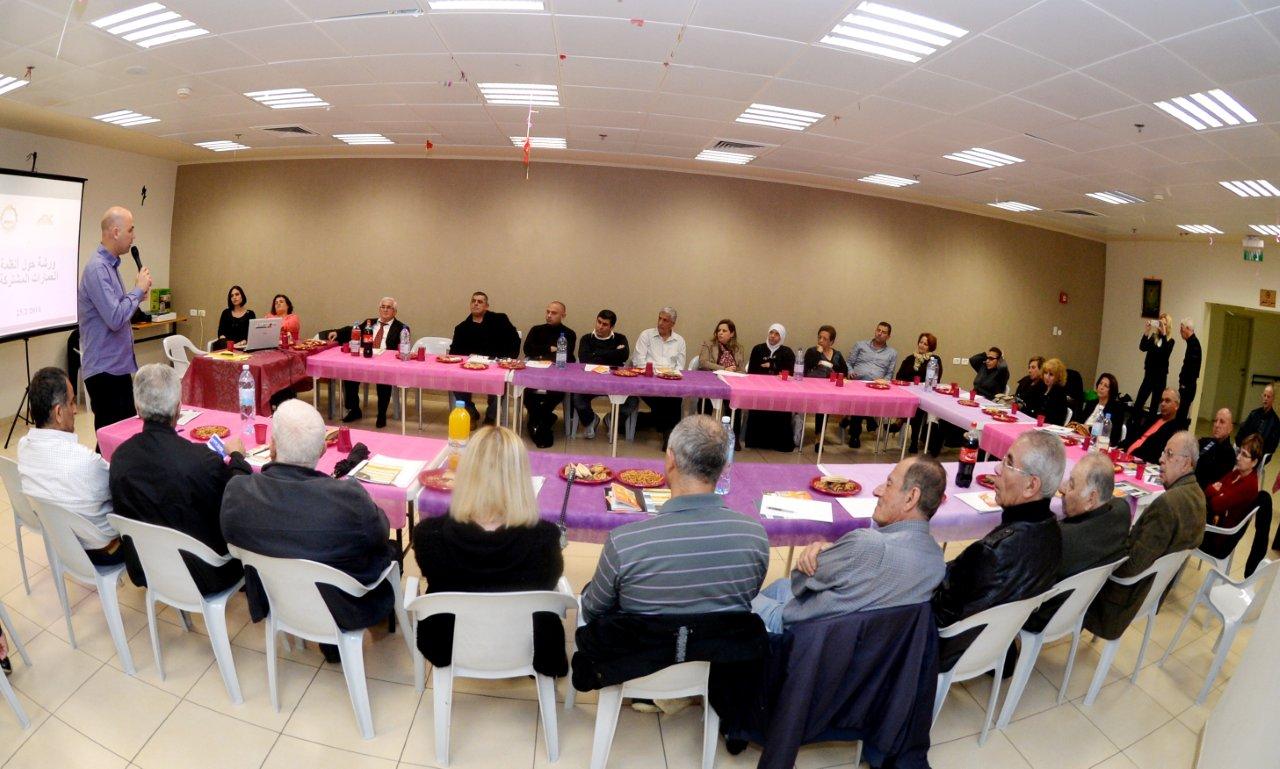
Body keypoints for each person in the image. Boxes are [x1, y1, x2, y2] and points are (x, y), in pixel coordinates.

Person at [221, 400, 394, 662]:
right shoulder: (349, 497)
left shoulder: (238, 492)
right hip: (343, 608)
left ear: (272, 447)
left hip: (274, 599)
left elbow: (232, 538)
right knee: (386, 552)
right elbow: (381, 532)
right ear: (323, 449)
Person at [579, 414, 769, 624]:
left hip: (642, 644)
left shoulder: (624, 543)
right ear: (725, 465)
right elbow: (748, 597)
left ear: (671, 459)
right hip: (722, 644)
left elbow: (591, 611)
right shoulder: (755, 537)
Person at [412, 426, 564, 668]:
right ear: (520, 479)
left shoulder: (428, 536)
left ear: (466, 474)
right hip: (529, 647)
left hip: (448, 644)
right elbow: (548, 583)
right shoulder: (545, 539)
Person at [751, 456, 946, 634]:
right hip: (865, 647)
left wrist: (820, 556)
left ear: (911, 498)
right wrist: (836, 552)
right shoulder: (937, 563)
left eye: (889, 484)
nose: (877, 491)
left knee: (741, 600)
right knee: (780, 585)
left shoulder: (865, 544)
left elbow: (799, 581)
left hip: (803, 635)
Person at [109, 364, 247, 595]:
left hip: (145, 567)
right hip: (205, 573)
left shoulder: (120, 457)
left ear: (137, 408)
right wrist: (237, 459)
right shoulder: (202, 461)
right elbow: (237, 499)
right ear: (178, 408)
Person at [932, 431, 1063, 671]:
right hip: (999, 643)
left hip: (955, 650)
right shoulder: (1054, 533)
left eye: (1009, 463)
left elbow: (940, 611)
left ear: (1031, 485)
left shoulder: (990, 552)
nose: (997, 469)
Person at [1084, 432, 1205, 640]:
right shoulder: (1199, 497)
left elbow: (1131, 566)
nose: (1161, 459)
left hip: (1125, 598)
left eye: (1169, 454)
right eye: (1164, 452)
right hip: (1155, 592)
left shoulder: (1167, 504)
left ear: (1186, 463)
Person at [17, 367, 126, 568]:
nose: (75, 410)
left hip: (61, 544)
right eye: (72, 402)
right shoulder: (86, 462)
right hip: (104, 550)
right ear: (59, 412)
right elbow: (122, 490)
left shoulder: (23, 447)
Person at [1024, 453, 1130, 633]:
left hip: (1043, 616)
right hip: (1080, 610)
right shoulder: (1122, 512)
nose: (1064, 490)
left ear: (1091, 499)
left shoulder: (1061, 539)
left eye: (1071, 485)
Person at [78, 206, 152, 434]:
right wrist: (137, 291)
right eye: (131, 230)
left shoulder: (110, 266)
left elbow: (118, 309)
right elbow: (115, 318)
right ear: (116, 232)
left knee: (122, 436)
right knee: (111, 439)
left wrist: (136, 296)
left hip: (117, 368)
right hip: (104, 371)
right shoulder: (98, 269)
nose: (134, 236)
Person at [326, 297, 408, 428]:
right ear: (379, 309)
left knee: (384, 378)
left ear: (395, 311)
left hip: (385, 364)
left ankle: (381, 414)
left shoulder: (401, 328)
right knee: (349, 375)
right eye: (383, 307)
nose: (385, 310)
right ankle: (354, 410)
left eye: (389, 307)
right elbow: (352, 329)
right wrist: (337, 332)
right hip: (365, 358)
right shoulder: (370, 322)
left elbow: (402, 348)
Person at [449, 291, 520, 426]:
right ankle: (470, 413)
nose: (476, 304)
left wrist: (507, 359)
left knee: (500, 382)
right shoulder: (461, 328)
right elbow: (454, 352)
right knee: (455, 379)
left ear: (486, 306)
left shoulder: (500, 320)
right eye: (473, 301)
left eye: (480, 301)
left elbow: (514, 340)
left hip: (495, 365)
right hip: (470, 367)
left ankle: (491, 417)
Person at [621, 307, 687, 450]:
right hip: (647, 382)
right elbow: (638, 362)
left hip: (669, 382)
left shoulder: (679, 341)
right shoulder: (646, 335)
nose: (660, 322)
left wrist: (667, 375)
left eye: (665, 320)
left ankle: (661, 430)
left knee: (674, 398)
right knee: (669, 402)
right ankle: (670, 437)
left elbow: (680, 366)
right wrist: (658, 373)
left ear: (673, 324)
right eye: (659, 318)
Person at [522, 301, 577, 448]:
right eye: (548, 312)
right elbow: (528, 349)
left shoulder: (569, 334)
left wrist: (541, 353)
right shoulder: (536, 330)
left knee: (556, 392)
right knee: (526, 393)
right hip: (535, 372)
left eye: (554, 313)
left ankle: (536, 423)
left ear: (563, 315)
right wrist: (550, 349)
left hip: (557, 375)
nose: (549, 315)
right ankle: (545, 419)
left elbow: (566, 356)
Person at [1200, 434, 1263, 560]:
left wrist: (1217, 491)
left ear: (1254, 462)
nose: (1238, 457)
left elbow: (1215, 504)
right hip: (1213, 522)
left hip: (1218, 538)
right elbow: (1208, 490)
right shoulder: (1237, 473)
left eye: (1244, 455)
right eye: (1239, 452)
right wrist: (1216, 492)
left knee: (1181, 531)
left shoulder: (1249, 485)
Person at [572, 310, 630, 440]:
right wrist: (613, 353)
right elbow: (585, 359)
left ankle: (611, 420)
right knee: (577, 397)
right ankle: (591, 420)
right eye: (599, 322)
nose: (600, 326)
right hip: (590, 381)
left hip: (615, 382)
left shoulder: (620, 338)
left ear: (611, 327)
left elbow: (624, 355)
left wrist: (596, 354)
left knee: (631, 400)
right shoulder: (586, 339)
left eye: (605, 324)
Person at [844, 322, 897, 448]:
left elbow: (889, 374)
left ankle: (853, 425)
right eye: (878, 330)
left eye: (884, 332)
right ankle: (862, 427)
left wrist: (884, 382)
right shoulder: (860, 345)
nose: (880, 333)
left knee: (861, 402)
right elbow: (848, 363)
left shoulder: (892, 353)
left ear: (888, 336)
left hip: (876, 387)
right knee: (860, 400)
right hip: (857, 383)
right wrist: (850, 372)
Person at [744, 324, 797, 452]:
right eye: (771, 333)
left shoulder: (787, 352)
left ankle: (778, 443)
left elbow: (789, 372)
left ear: (782, 337)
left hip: (780, 391)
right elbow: (752, 371)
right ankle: (757, 441)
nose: (773, 336)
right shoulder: (758, 349)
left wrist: (772, 365)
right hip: (760, 389)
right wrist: (775, 367)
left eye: (776, 334)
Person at [897, 332, 942, 455]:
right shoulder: (910, 358)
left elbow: (936, 380)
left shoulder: (934, 360)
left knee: (918, 408)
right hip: (907, 393)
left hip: (924, 394)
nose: (922, 345)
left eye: (925, 344)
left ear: (931, 347)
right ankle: (902, 424)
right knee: (913, 406)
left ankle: (913, 440)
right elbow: (899, 376)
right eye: (921, 342)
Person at [802, 325, 847, 445]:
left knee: (831, 400)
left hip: (831, 389)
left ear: (831, 342)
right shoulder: (812, 352)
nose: (820, 341)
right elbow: (807, 367)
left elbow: (844, 372)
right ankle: (818, 438)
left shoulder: (837, 355)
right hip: (813, 388)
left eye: (825, 339)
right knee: (824, 403)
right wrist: (819, 353)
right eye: (819, 337)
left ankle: (844, 418)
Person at [1121, 388, 1185, 465]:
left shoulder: (1176, 429)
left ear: (1177, 406)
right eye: (1162, 400)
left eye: (1167, 401)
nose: (1163, 404)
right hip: (1126, 455)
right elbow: (1136, 435)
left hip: (1141, 462)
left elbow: (1156, 453)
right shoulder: (1153, 418)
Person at [1134, 314, 1175, 419]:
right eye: (1160, 323)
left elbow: (1165, 353)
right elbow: (1143, 347)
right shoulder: (1154, 337)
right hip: (1149, 375)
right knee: (1139, 402)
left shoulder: (1170, 341)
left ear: (1168, 326)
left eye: (1164, 324)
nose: (1161, 326)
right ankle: (1135, 423)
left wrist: (1164, 334)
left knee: (1154, 407)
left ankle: (1150, 426)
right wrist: (1147, 331)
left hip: (1160, 378)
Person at [1076, 372, 1126, 444]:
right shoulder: (1091, 403)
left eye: (1106, 386)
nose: (1101, 387)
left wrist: (1089, 429)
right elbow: (1079, 421)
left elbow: (1113, 435)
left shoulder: (1116, 409)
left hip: (1099, 443)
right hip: (1080, 437)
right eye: (1100, 383)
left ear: (1111, 391)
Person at [1236, 383, 1280, 458]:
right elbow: (1242, 431)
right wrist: (1242, 445)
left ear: (1272, 399)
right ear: (1262, 396)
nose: (1266, 398)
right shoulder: (1254, 414)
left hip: (1260, 453)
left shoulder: (1275, 421)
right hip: (1246, 448)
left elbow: (1272, 446)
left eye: (1268, 397)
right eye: (1264, 395)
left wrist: (1256, 451)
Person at [1196, 408, 1236, 489]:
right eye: (1215, 421)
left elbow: (1212, 482)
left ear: (1230, 428)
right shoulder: (1206, 441)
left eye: (1222, 422)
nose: (1217, 425)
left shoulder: (1229, 455)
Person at [1177, 318, 1201, 424]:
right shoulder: (1192, 343)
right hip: (1188, 386)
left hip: (1188, 386)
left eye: (1181, 329)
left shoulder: (1194, 345)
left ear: (1187, 328)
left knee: (1181, 416)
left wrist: (1183, 384)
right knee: (1181, 415)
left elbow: (1191, 369)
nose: (1180, 332)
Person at [1039, 357, 1070, 426]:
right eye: (1045, 373)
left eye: (1051, 374)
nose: (1047, 377)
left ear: (1058, 377)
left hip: (1050, 428)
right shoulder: (1043, 387)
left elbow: (1056, 419)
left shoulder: (1059, 393)